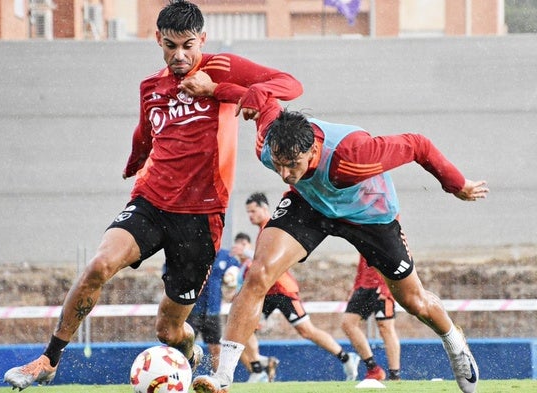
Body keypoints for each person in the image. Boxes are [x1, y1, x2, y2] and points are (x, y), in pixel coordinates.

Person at [3, 1, 303, 390]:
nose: (180, 56)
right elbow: (144, 134)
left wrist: (220, 91)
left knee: (169, 330)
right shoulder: (150, 86)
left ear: (203, 40)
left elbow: (290, 86)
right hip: (150, 202)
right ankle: (48, 359)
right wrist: (133, 162)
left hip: (201, 216)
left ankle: (188, 350)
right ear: (158, 40)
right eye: (170, 46)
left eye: (188, 46)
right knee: (98, 265)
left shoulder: (221, 67)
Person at [192, 92, 488, 393]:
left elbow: (418, 144)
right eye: (279, 164)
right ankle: (223, 377)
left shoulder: (355, 154)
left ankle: (456, 344)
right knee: (258, 274)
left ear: (313, 150)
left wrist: (457, 184)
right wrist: (217, 88)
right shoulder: (269, 146)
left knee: (415, 302)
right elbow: (264, 92)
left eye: (292, 165)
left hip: (370, 214)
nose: (284, 174)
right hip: (310, 204)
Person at [239, 192, 360, 381]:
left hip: (283, 289)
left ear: (264, 208)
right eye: (248, 212)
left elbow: (272, 260)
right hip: (268, 290)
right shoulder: (262, 230)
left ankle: (346, 357)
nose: (250, 216)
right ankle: (258, 369)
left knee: (306, 330)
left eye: (253, 211)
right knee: (243, 324)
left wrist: (246, 253)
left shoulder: (273, 228)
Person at [229, 233, 280, 383]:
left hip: (251, 307)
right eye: (238, 245)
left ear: (249, 246)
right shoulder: (241, 266)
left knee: (241, 335)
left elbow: (255, 284)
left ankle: (258, 369)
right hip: (243, 307)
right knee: (235, 340)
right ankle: (263, 364)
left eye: (244, 245)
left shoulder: (253, 263)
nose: (240, 248)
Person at [342, 255, 401, 381]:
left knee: (386, 328)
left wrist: (388, 286)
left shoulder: (392, 235)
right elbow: (364, 257)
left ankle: (395, 376)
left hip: (384, 284)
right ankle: (373, 368)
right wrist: (356, 285)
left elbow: (398, 256)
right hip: (364, 286)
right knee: (348, 324)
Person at [186, 244, 240, 373]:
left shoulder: (225, 255)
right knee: (186, 346)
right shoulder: (192, 252)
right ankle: (184, 375)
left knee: (216, 346)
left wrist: (233, 280)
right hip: (193, 308)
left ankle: (217, 377)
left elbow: (237, 269)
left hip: (213, 309)